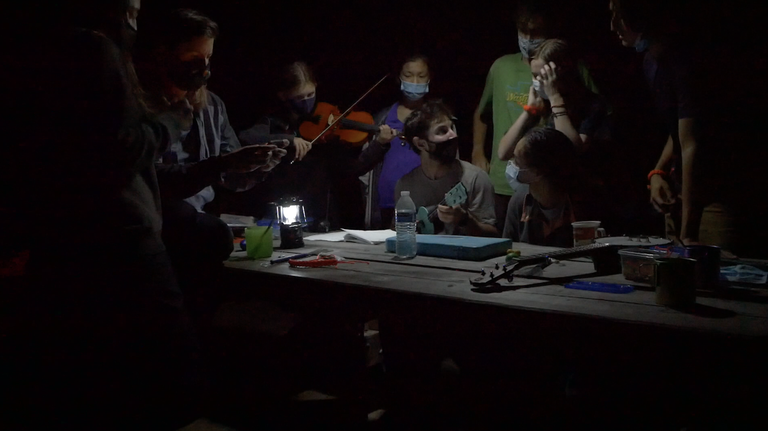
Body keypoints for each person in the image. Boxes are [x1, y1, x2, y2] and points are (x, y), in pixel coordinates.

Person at [2, 1, 215, 429]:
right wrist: (171, 119)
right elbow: (121, 150)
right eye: (131, 7)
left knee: (97, 374)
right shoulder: (95, 50)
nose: (135, 17)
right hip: (120, 230)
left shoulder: (37, 48)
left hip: (67, 233)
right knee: (177, 370)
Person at [134, 9, 285, 302]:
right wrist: (223, 164)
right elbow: (156, 180)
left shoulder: (212, 105)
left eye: (207, 60)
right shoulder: (144, 104)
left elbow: (229, 175)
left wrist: (257, 165)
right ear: (164, 54)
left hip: (197, 220)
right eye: (193, 60)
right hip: (159, 224)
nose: (202, 69)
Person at [609, 0, 768, 257]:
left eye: (619, 17)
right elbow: (678, 130)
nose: (613, 26)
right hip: (682, 192)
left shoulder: (686, 63)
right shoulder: (651, 61)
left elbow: (693, 142)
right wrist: (658, 170)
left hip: (716, 194)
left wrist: (689, 231)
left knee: (717, 277)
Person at [472, 0, 600, 232]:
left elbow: (571, 149)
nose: (536, 83)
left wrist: (555, 98)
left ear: (560, 73)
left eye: (541, 77)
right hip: (527, 195)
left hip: (566, 201)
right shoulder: (538, 104)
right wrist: (530, 110)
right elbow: (503, 152)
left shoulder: (589, 105)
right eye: (533, 76)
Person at [239, 61, 366, 230]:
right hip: (282, 204)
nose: (307, 102)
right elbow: (247, 137)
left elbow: (350, 167)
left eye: (310, 94)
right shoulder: (274, 120)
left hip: (321, 210)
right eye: (299, 98)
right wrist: (290, 139)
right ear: (283, 95)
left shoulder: (326, 120)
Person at [396, 100, 498, 237]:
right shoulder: (405, 185)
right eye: (442, 131)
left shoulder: (475, 178)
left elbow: (493, 235)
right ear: (421, 144)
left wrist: (464, 220)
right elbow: (398, 233)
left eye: (452, 128)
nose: (453, 135)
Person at [358, 55, 429, 229]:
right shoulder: (382, 118)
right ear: (399, 78)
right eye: (408, 75)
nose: (415, 81)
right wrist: (379, 143)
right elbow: (362, 168)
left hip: (426, 206)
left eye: (421, 76)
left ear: (429, 78)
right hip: (384, 206)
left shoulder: (439, 120)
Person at [502, 128, 578, 247]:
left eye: (517, 161)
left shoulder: (583, 202)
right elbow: (508, 251)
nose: (512, 165)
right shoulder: (520, 201)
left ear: (538, 172)